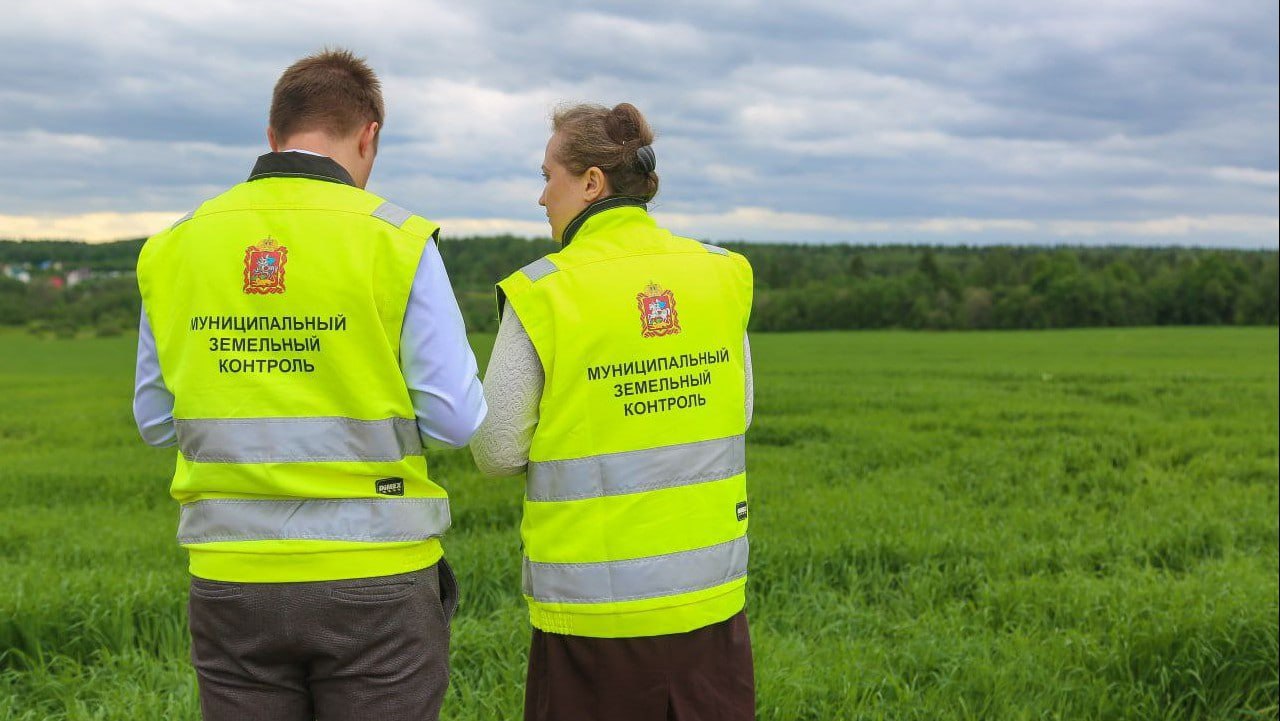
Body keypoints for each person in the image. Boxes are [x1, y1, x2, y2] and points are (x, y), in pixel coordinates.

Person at [132, 48, 485, 721]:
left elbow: (153, 419)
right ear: (368, 134)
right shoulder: (399, 240)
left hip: (231, 581)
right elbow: (457, 421)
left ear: (273, 136)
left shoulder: (175, 245)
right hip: (377, 578)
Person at [471, 103, 756, 721]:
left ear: (592, 182)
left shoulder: (543, 290)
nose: (541, 196)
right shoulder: (720, 273)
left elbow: (494, 451)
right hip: (710, 603)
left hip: (591, 613)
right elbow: (740, 410)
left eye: (548, 175)